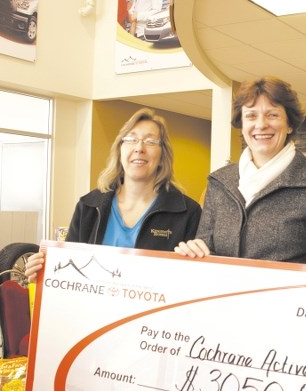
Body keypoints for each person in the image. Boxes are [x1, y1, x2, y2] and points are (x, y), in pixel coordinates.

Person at [24, 108, 201, 281]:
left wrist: (197, 262)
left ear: (163, 155)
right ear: (120, 150)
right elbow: (69, 271)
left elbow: (193, 282)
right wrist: (43, 272)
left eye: (150, 141)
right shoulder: (89, 206)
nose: (139, 147)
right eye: (131, 139)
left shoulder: (187, 213)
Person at [174, 77, 306, 264]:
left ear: (290, 124)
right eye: (251, 116)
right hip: (223, 292)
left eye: (272, 115)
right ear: (242, 125)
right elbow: (205, 246)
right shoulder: (219, 182)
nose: (261, 124)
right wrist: (194, 251)